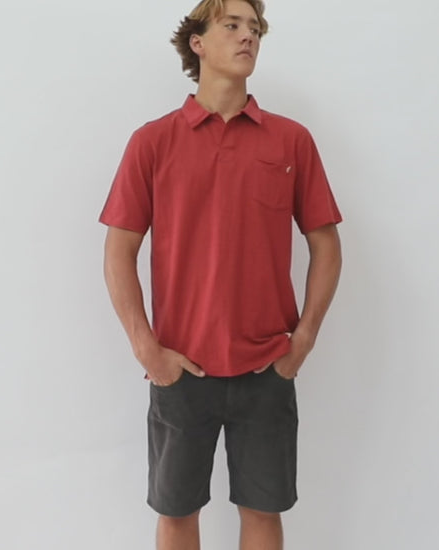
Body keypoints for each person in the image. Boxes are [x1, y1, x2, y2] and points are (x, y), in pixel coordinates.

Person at [99, 0, 342, 548]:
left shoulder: (291, 140)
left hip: (266, 368)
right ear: (198, 43)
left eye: (254, 27)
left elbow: (326, 245)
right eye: (231, 25)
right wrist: (147, 351)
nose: (247, 36)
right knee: (176, 514)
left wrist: (302, 340)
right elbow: (119, 251)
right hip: (181, 369)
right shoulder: (153, 141)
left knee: (263, 513)